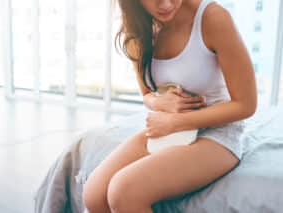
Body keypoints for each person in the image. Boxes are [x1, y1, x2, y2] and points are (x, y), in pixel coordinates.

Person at [82, 0, 257, 212]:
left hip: (217, 133)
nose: (166, 4)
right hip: (168, 131)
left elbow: (246, 104)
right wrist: (158, 101)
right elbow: (147, 94)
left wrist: (177, 121)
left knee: (124, 191)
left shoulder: (213, 18)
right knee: (93, 195)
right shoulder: (138, 25)